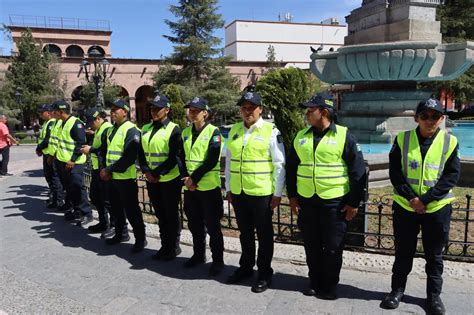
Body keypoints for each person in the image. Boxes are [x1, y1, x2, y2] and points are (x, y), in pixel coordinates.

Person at [381, 98, 460, 315]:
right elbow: (395, 172)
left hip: (437, 208)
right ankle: (397, 291)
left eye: (435, 116)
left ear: (441, 118)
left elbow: (451, 176)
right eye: (425, 116)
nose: (430, 120)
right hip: (406, 206)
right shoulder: (403, 139)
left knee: (434, 256)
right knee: (403, 252)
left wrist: (425, 200)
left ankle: (433, 296)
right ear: (416, 118)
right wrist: (412, 199)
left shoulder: (449, 142)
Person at [287, 93, 366, 300]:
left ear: (323, 112)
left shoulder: (344, 136)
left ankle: (330, 285)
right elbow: (292, 168)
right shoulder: (301, 136)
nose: (306, 113)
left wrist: (353, 202)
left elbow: (358, 171)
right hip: (307, 200)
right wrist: (293, 197)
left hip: (334, 202)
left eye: (310, 110)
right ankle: (314, 280)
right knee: (311, 245)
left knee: (333, 247)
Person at [225, 88, 286, 293]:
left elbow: (279, 164)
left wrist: (277, 193)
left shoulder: (271, 131)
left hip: (261, 193)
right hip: (239, 192)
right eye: (244, 108)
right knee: (245, 234)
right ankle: (245, 267)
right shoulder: (234, 130)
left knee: (264, 234)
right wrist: (229, 187)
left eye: (252, 108)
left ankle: (264, 273)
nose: (247, 111)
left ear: (260, 110)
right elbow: (229, 161)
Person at [180, 97, 225, 276]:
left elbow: (212, 159)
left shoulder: (214, 132)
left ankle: (218, 261)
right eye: (190, 110)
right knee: (194, 224)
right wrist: (185, 178)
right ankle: (199, 254)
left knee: (213, 227)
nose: (192, 113)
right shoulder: (185, 132)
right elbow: (181, 157)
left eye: (196, 111)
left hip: (208, 188)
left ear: (205, 113)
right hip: (190, 189)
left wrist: (194, 179)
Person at [138, 95, 183, 261]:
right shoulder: (146, 128)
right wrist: (146, 171)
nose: (154, 111)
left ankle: (173, 246)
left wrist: (156, 173)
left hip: (169, 179)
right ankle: (165, 245)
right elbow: (141, 153)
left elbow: (174, 157)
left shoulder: (174, 129)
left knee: (170, 214)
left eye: (157, 108)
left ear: (167, 110)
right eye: (152, 108)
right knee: (160, 214)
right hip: (152, 179)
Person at [100, 99, 147, 253]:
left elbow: (129, 157)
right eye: (111, 110)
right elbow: (106, 152)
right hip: (112, 177)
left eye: (116, 110)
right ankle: (121, 234)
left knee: (132, 210)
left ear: (125, 112)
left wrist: (109, 170)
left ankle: (141, 239)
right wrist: (105, 169)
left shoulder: (131, 130)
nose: (112, 112)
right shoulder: (111, 130)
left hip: (125, 178)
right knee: (116, 209)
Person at [51, 100, 93, 225]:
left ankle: (87, 213)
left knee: (78, 188)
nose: (53, 113)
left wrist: (73, 159)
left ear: (61, 111)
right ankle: (77, 210)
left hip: (74, 163)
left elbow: (81, 143)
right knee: (69, 189)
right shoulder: (61, 123)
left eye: (55, 111)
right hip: (62, 162)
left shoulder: (76, 123)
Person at [80, 108, 113, 234]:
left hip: (103, 169)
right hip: (96, 169)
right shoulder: (99, 129)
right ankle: (103, 223)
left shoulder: (107, 129)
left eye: (91, 123)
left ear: (98, 119)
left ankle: (115, 225)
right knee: (95, 196)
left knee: (107, 200)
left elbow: (105, 150)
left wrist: (91, 149)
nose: (90, 126)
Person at [35, 104, 63, 208]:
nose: (41, 115)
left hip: (51, 154)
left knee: (54, 178)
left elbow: (47, 140)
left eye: (42, 113)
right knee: (50, 177)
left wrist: (39, 148)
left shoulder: (52, 123)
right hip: (47, 153)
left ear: (48, 113)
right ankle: (54, 198)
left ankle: (58, 200)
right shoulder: (48, 123)